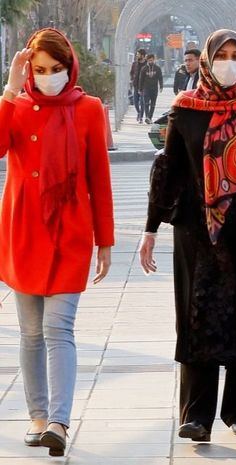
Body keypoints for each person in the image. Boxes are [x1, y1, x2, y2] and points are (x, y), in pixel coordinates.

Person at [139, 29, 236, 443]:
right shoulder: (187, 108)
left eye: (235, 55)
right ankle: (196, 415)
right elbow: (169, 170)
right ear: (208, 61)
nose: (228, 62)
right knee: (197, 318)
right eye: (221, 55)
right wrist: (150, 229)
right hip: (197, 232)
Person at [0, 28, 114, 456]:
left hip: (69, 232)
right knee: (30, 333)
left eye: (57, 69)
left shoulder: (88, 109)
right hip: (22, 231)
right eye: (41, 69)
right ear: (30, 69)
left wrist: (105, 240)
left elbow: (99, 179)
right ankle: (37, 416)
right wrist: (10, 89)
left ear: (70, 68)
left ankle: (60, 422)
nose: (49, 76)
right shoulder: (16, 105)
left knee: (57, 327)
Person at [138, 53, 163, 124]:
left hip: (154, 88)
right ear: (147, 60)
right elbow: (141, 79)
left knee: (153, 104)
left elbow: (160, 78)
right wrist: (140, 89)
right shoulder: (144, 69)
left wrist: (161, 86)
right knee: (146, 103)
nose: (150, 62)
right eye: (149, 61)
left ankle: (150, 117)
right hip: (146, 88)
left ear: (154, 60)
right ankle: (147, 117)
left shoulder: (157, 68)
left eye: (151, 60)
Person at [130, 48, 147, 122]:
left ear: (142, 55)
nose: (137, 56)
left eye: (138, 54)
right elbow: (131, 72)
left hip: (144, 86)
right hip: (136, 85)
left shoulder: (147, 64)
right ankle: (139, 112)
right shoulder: (135, 63)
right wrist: (132, 78)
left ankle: (141, 117)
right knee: (135, 101)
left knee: (142, 102)